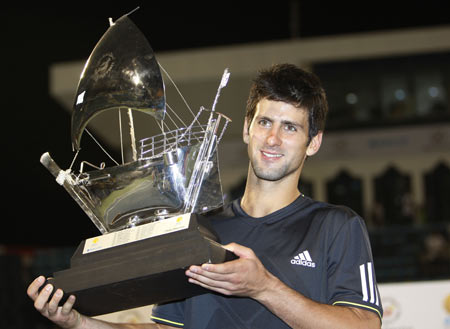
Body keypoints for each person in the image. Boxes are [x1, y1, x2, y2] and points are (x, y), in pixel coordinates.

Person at [27, 63, 383, 329]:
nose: (273, 139)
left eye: (290, 127)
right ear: (246, 129)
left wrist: (263, 287)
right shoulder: (197, 229)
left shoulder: (336, 226)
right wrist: (80, 323)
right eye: (264, 122)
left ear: (314, 142)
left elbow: (364, 325)